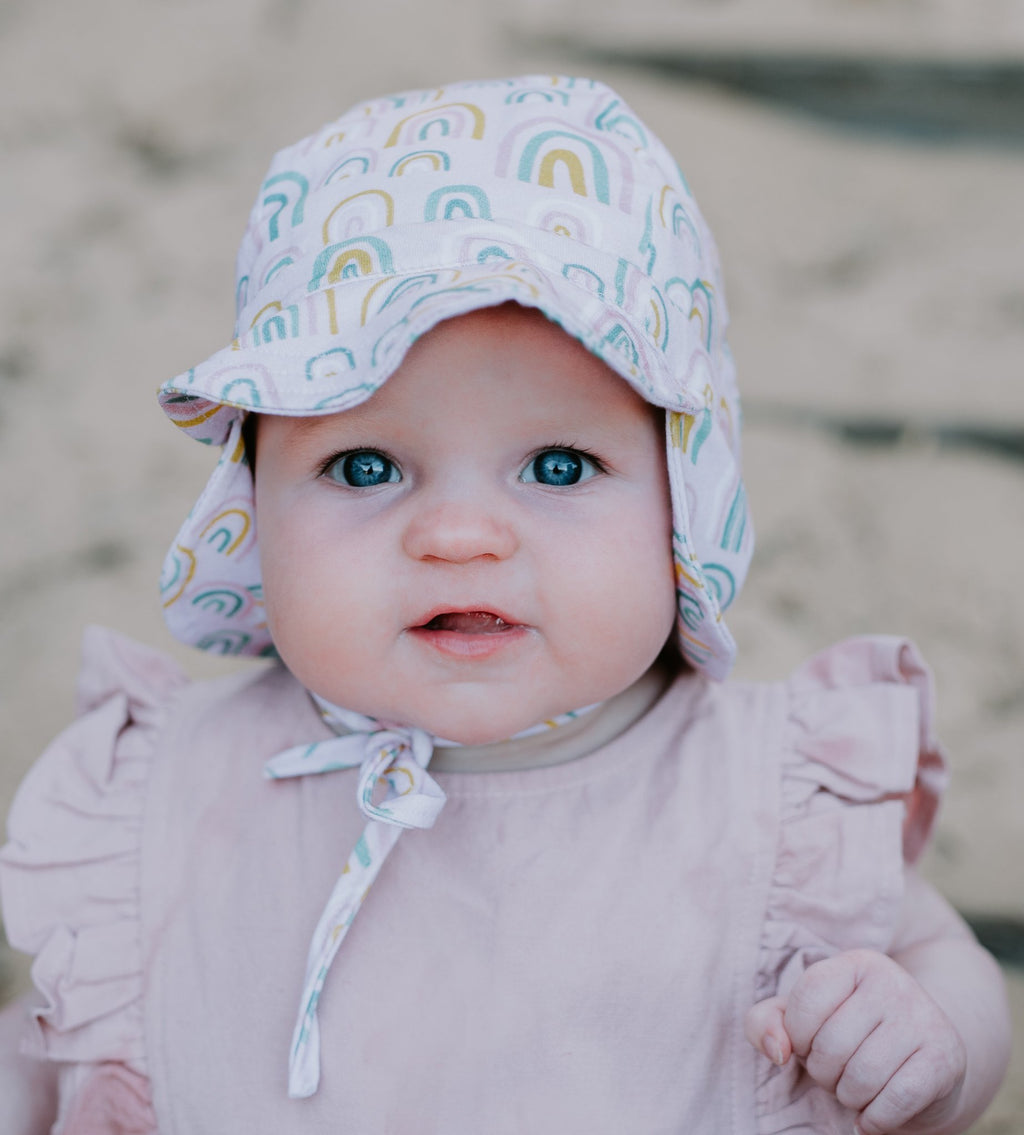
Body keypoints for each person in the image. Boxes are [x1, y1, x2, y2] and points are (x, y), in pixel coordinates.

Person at [0, 75, 1010, 1135]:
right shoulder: (163, 789)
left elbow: (940, 958)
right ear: (253, 505)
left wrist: (926, 1034)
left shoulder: (773, 797)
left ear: (685, 502)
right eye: (363, 467)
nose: (459, 534)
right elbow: (49, 1048)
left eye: (561, 466)